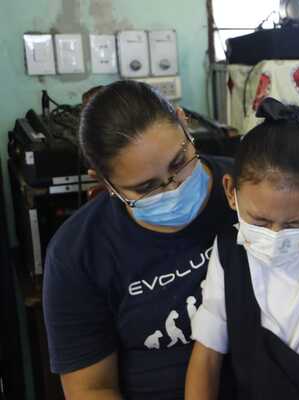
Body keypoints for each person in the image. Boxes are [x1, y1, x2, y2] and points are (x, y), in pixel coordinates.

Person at [43, 80, 237, 399]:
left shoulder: (252, 188)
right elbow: (92, 388)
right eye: (147, 187)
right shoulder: (77, 253)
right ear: (104, 182)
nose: (173, 188)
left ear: (183, 121)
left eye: (179, 162)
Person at [185, 98, 299, 400]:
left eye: (295, 223)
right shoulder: (228, 252)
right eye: (259, 220)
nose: (275, 235)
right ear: (230, 192)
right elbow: (207, 351)